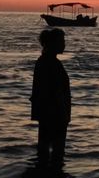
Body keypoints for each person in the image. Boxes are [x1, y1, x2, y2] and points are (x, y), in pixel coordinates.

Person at [30, 27, 71, 169]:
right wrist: (64, 114)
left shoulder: (45, 61)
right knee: (56, 151)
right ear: (53, 43)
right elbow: (55, 91)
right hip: (54, 114)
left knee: (45, 148)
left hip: (47, 113)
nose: (64, 44)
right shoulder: (50, 63)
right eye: (62, 41)